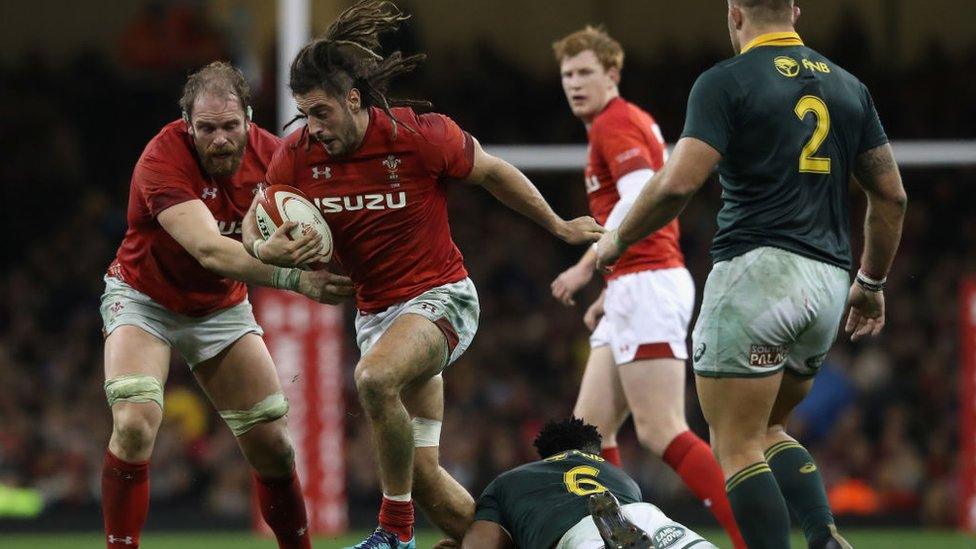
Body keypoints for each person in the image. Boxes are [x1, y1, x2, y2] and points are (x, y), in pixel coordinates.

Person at [241, 2, 603, 548]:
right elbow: (255, 217)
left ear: (354, 100)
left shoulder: (418, 136)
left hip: (441, 299)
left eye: (321, 112)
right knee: (423, 474)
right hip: (376, 317)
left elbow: (495, 173)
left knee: (372, 380)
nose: (312, 127)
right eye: (304, 114)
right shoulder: (298, 154)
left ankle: (394, 532)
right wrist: (266, 246)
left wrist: (557, 225)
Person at [595, 1, 907, 548]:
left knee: (735, 444)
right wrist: (873, 283)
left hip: (757, 275)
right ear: (795, 10)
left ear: (734, 13)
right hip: (829, 282)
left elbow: (677, 183)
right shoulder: (848, 86)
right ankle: (825, 536)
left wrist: (619, 239)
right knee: (768, 429)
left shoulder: (726, 81)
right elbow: (891, 196)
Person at [99, 61, 354, 549]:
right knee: (134, 423)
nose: (219, 139)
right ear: (187, 124)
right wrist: (291, 276)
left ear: (249, 119)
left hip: (220, 309)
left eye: (230, 126)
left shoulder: (277, 159)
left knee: (275, 449)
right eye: (207, 128)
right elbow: (211, 251)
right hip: (145, 299)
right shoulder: (161, 159)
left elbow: (333, 219)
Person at [549, 26, 745, 548]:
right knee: (588, 436)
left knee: (662, 430)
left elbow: (638, 200)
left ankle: (753, 538)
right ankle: (619, 541)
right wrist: (609, 293)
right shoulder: (615, 125)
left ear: (612, 74)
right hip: (632, 285)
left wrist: (588, 265)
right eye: (567, 74)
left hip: (649, 282)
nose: (574, 83)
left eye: (586, 71)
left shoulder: (616, 123)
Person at [458, 417, 717, 549]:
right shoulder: (620, 477)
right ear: (594, 454)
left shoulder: (509, 481)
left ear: (546, 456)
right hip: (648, 518)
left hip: (579, 536)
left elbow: (482, 542)